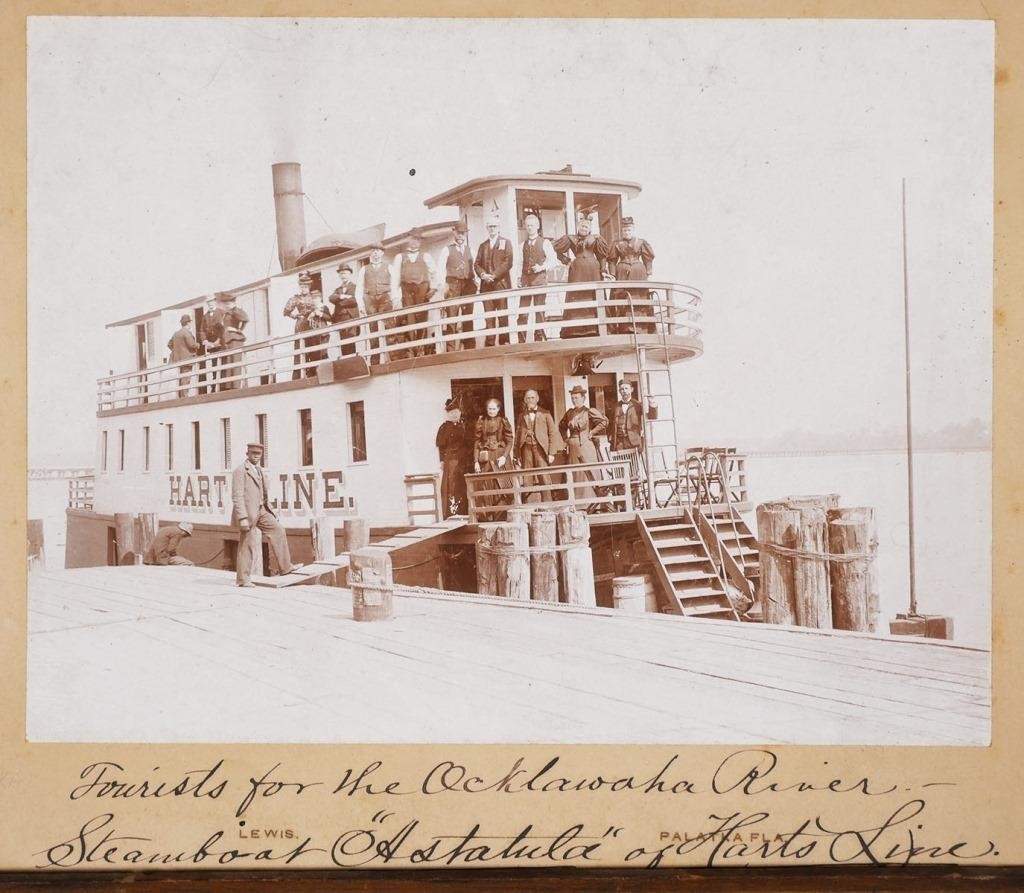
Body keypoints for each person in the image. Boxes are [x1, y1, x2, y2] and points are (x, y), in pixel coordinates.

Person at [231, 442, 301, 587]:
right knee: (247, 545)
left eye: (259, 454)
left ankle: (286, 567)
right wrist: (242, 517)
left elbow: (263, 494)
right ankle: (243, 579)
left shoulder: (260, 470)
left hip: (262, 510)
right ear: (247, 454)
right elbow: (237, 496)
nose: (256, 456)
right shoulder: (240, 470)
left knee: (278, 530)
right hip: (248, 513)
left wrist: (272, 512)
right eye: (253, 454)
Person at [554, 213, 611, 339]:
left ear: (590, 228)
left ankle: (597, 328)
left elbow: (602, 256)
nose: (584, 229)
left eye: (586, 227)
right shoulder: (571, 238)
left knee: (594, 295)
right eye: (582, 226)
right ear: (578, 227)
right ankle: (575, 330)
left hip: (593, 271)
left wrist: (603, 270)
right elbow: (556, 249)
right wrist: (567, 261)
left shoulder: (596, 238)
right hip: (577, 271)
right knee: (577, 295)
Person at [558, 384, 610, 511]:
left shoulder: (589, 411)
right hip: (573, 448)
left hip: (586, 447)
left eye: (576, 398)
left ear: (583, 398)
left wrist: (592, 432)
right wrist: (566, 439)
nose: (574, 400)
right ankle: (577, 505)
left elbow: (604, 422)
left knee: (588, 473)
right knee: (575, 474)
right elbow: (561, 426)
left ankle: (593, 504)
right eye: (572, 398)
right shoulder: (569, 413)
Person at [391, 228, 438, 357]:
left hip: (422, 290)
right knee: (410, 318)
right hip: (407, 291)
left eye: (417, 240)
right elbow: (395, 278)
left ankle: (421, 347)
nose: (414, 242)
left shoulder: (426, 256)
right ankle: (412, 348)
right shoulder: (400, 257)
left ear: (420, 241)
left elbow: (434, 273)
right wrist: (395, 298)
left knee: (422, 318)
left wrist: (433, 289)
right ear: (408, 240)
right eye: (413, 239)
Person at [606, 216, 656, 334]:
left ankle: (641, 327)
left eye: (629, 230)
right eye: (624, 230)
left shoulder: (641, 242)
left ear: (633, 230)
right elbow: (612, 260)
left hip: (639, 273)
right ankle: (624, 328)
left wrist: (649, 272)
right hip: (622, 273)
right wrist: (612, 274)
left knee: (639, 297)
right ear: (622, 231)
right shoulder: (617, 243)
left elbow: (648, 259)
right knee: (622, 297)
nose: (627, 233)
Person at [514, 389, 563, 503]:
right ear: (525, 400)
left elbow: (553, 433)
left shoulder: (545, 413)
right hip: (526, 449)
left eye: (532, 397)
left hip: (540, 449)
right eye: (527, 398)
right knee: (527, 477)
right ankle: (529, 506)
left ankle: (548, 505)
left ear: (537, 399)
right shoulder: (522, 416)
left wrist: (551, 453)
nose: (530, 400)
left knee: (544, 476)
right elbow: (517, 436)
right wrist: (516, 455)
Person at [517, 214, 559, 343]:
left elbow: (554, 261)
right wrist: (519, 278)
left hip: (539, 280)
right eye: (527, 225)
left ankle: (539, 336)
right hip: (525, 281)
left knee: (539, 309)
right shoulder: (522, 244)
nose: (529, 228)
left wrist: (541, 267)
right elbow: (519, 263)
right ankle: (521, 338)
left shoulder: (545, 242)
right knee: (523, 310)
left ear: (538, 226)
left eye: (532, 225)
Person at [436, 222, 477, 351]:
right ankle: (451, 349)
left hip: (468, 286)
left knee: (468, 316)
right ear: (454, 233)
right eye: (458, 233)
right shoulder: (447, 250)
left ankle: (470, 347)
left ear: (466, 234)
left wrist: (477, 283)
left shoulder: (471, 250)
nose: (460, 236)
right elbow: (440, 271)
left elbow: (475, 268)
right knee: (451, 317)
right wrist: (442, 289)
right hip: (452, 286)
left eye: (463, 233)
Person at [474, 216, 514, 346]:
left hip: (501, 284)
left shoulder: (506, 242)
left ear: (499, 227)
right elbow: (476, 264)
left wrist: (495, 275)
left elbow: (508, 262)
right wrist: (483, 274)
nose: (492, 228)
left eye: (494, 226)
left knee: (503, 315)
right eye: (490, 226)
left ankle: (504, 341)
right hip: (486, 286)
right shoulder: (483, 245)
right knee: (489, 316)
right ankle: (490, 343)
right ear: (487, 228)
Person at [473, 398, 514, 519]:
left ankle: (503, 516)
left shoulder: (503, 421)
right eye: (489, 409)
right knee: (486, 486)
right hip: (486, 458)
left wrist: (505, 457)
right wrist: (476, 461)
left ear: (498, 409)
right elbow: (476, 442)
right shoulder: (481, 421)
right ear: (487, 409)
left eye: (494, 409)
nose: (491, 411)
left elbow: (510, 441)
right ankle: (489, 517)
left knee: (502, 485)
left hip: (500, 457)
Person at [356, 242, 394, 364]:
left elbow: (395, 285)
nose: (375, 253)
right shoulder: (364, 269)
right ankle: (376, 360)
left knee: (389, 328)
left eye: (378, 251)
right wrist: (361, 304)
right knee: (373, 330)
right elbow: (359, 288)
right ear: (370, 253)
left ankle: (394, 357)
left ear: (382, 253)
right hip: (370, 301)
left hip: (385, 299)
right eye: (373, 251)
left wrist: (395, 299)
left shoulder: (389, 267)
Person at [435, 397, 470, 518]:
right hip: (451, 461)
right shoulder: (444, 427)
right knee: (452, 486)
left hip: (464, 461)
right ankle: (452, 513)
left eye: (456, 412)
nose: (454, 415)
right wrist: (441, 460)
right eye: (451, 413)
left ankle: (465, 512)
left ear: (460, 412)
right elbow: (441, 447)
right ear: (448, 414)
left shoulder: (464, 426)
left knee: (463, 486)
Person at [283, 271, 319, 379]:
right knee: (300, 349)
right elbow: (286, 311)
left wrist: (314, 313)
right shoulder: (296, 298)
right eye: (302, 286)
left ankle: (315, 373)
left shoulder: (314, 296)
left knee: (314, 347)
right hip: (302, 324)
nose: (304, 288)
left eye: (306, 286)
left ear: (309, 286)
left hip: (313, 324)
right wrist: (295, 316)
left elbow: (320, 306)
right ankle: (299, 376)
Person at [327, 263, 361, 356]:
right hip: (340, 319)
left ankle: (352, 363)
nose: (343, 276)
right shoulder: (338, 290)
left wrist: (340, 302)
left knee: (351, 342)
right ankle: (346, 365)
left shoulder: (355, 287)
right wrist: (342, 296)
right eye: (341, 274)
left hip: (351, 318)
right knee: (343, 343)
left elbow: (354, 300)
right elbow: (331, 298)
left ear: (350, 274)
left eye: (345, 273)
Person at [218, 294, 249, 390]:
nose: (227, 305)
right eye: (226, 303)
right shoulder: (227, 313)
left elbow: (245, 319)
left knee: (236, 361)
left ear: (233, 302)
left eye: (229, 303)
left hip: (235, 339)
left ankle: (236, 385)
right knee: (229, 362)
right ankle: (230, 386)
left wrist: (238, 330)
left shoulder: (236, 311)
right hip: (228, 340)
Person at [167, 314, 199, 398]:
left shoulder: (176, 333)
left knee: (180, 378)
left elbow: (169, 344)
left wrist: (177, 351)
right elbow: (192, 345)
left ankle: (180, 396)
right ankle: (185, 396)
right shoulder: (187, 332)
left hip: (177, 360)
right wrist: (198, 345)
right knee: (186, 378)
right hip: (187, 359)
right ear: (188, 323)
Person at [302, 288, 331, 371]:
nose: (314, 300)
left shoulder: (324, 307)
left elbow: (330, 318)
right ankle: (315, 372)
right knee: (314, 355)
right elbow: (305, 321)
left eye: (316, 298)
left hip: (323, 335)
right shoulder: (309, 309)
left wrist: (320, 314)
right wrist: (309, 317)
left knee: (323, 353)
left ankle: (326, 371)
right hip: (313, 336)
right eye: (313, 299)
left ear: (320, 298)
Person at [200, 297, 224, 393]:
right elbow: (202, 330)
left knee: (222, 365)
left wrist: (219, 340)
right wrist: (205, 341)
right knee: (214, 366)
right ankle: (215, 387)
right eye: (208, 303)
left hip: (221, 345)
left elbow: (224, 328)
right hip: (211, 346)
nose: (210, 305)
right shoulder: (205, 316)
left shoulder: (221, 312)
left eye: (212, 303)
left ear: (215, 302)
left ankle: (223, 386)